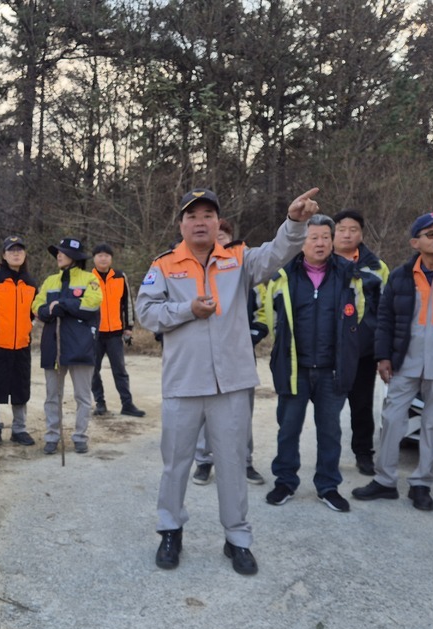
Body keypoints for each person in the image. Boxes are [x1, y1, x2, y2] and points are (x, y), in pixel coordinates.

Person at [136, 186, 321, 575]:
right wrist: (187, 309)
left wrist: (294, 222)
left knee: (233, 464)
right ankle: (170, 531)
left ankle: (237, 538)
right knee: (175, 463)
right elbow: (147, 313)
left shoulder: (239, 259)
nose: (200, 222)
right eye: (192, 216)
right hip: (184, 383)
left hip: (231, 384)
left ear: (217, 222)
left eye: (207, 215)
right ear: (181, 224)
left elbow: (278, 253)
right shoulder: (164, 265)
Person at [352, 212, 433, 511]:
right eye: (431, 234)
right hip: (404, 361)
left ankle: (421, 483)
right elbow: (385, 320)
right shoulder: (399, 276)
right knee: (392, 419)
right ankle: (385, 481)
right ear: (415, 242)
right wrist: (383, 356)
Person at [264, 214, 364, 513]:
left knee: (330, 432)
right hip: (295, 368)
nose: (319, 243)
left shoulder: (348, 275)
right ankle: (285, 481)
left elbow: (357, 316)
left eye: (325, 237)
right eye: (313, 237)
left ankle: (328, 486)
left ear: (332, 241)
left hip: (332, 370)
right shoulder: (283, 276)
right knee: (288, 429)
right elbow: (270, 317)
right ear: (301, 242)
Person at [192, 217, 268, 486]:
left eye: (223, 235)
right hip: (203, 356)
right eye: (216, 235)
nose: (219, 239)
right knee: (204, 411)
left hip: (239, 357)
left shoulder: (244, 268)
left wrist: (249, 337)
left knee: (241, 412)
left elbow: (262, 313)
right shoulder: (196, 270)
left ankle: (244, 461)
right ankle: (204, 461)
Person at [32, 236, 102, 455]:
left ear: (75, 257)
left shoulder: (90, 278)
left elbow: (92, 303)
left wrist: (63, 304)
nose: (59, 256)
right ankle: (52, 436)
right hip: (53, 345)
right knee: (52, 396)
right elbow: (36, 306)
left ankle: (80, 436)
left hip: (81, 345)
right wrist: (48, 310)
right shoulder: (50, 281)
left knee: (82, 396)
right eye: (58, 253)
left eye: (63, 253)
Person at [332, 209, 389, 476]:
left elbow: (387, 311)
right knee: (328, 407)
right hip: (330, 349)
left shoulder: (377, 267)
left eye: (353, 229)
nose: (347, 234)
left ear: (361, 234)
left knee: (362, 405)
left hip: (363, 351)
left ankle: (363, 453)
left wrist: (382, 349)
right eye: (341, 229)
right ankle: (328, 455)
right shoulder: (320, 262)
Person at [0, 235, 39, 446]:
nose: (16, 254)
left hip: (21, 345)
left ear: (25, 254)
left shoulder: (30, 283)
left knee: (20, 390)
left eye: (20, 250)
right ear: (3, 255)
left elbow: (34, 312)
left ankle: (19, 429)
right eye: (11, 250)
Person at [90, 243, 145, 418]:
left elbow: (127, 303)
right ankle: (100, 403)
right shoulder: (88, 278)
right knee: (93, 370)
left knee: (120, 370)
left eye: (107, 255)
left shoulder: (120, 277)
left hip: (115, 333)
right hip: (94, 334)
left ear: (111, 258)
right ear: (94, 258)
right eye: (100, 255)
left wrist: (129, 327)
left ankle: (127, 404)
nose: (103, 258)